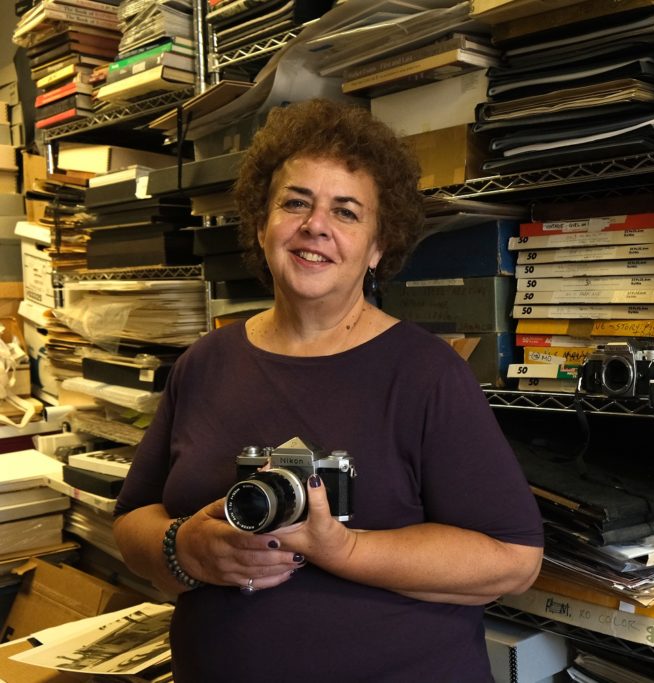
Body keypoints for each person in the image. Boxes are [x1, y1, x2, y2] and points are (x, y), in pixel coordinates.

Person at [113, 100, 544, 682]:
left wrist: (343, 549)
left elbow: (512, 562)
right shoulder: (204, 363)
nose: (315, 225)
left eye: (346, 212)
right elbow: (133, 518)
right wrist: (181, 549)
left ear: (376, 249)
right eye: (295, 202)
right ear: (261, 223)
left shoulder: (425, 373)